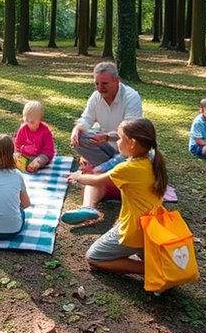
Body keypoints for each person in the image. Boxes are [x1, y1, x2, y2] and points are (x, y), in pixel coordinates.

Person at [65, 118, 168, 278]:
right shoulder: (152, 158)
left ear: (132, 143)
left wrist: (77, 177)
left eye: (120, 138)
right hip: (152, 226)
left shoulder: (127, 168)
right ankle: (147, 255)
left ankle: (151, 269)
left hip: (134, 229)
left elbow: (97, 180)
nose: (118, 142)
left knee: (93, 257)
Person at [69, 62, 143, 206]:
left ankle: (104, 171)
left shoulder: (131, 97)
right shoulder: (96, 97)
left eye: (104, 83)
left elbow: (130, 131)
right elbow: (87, 119)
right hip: (107, 146)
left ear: (117, 80)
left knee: (106, 168)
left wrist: (109, 136)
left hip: (128, 150)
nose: (99, 88)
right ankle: (109, 168)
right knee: (80, 138)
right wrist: (77, 129)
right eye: (96, 83)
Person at [14, 101, 55, 172]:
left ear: (40, 120)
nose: (28, 123)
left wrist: (43, 155)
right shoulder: (23, 129)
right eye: (26, 120)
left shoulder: (45, 130)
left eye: (32, 122)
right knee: (14, 157)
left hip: (40, 154)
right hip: (25, 154)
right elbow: (17, 144)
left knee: (42, 159)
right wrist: (17, 152)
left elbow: (49, 149)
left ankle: (34, 165)